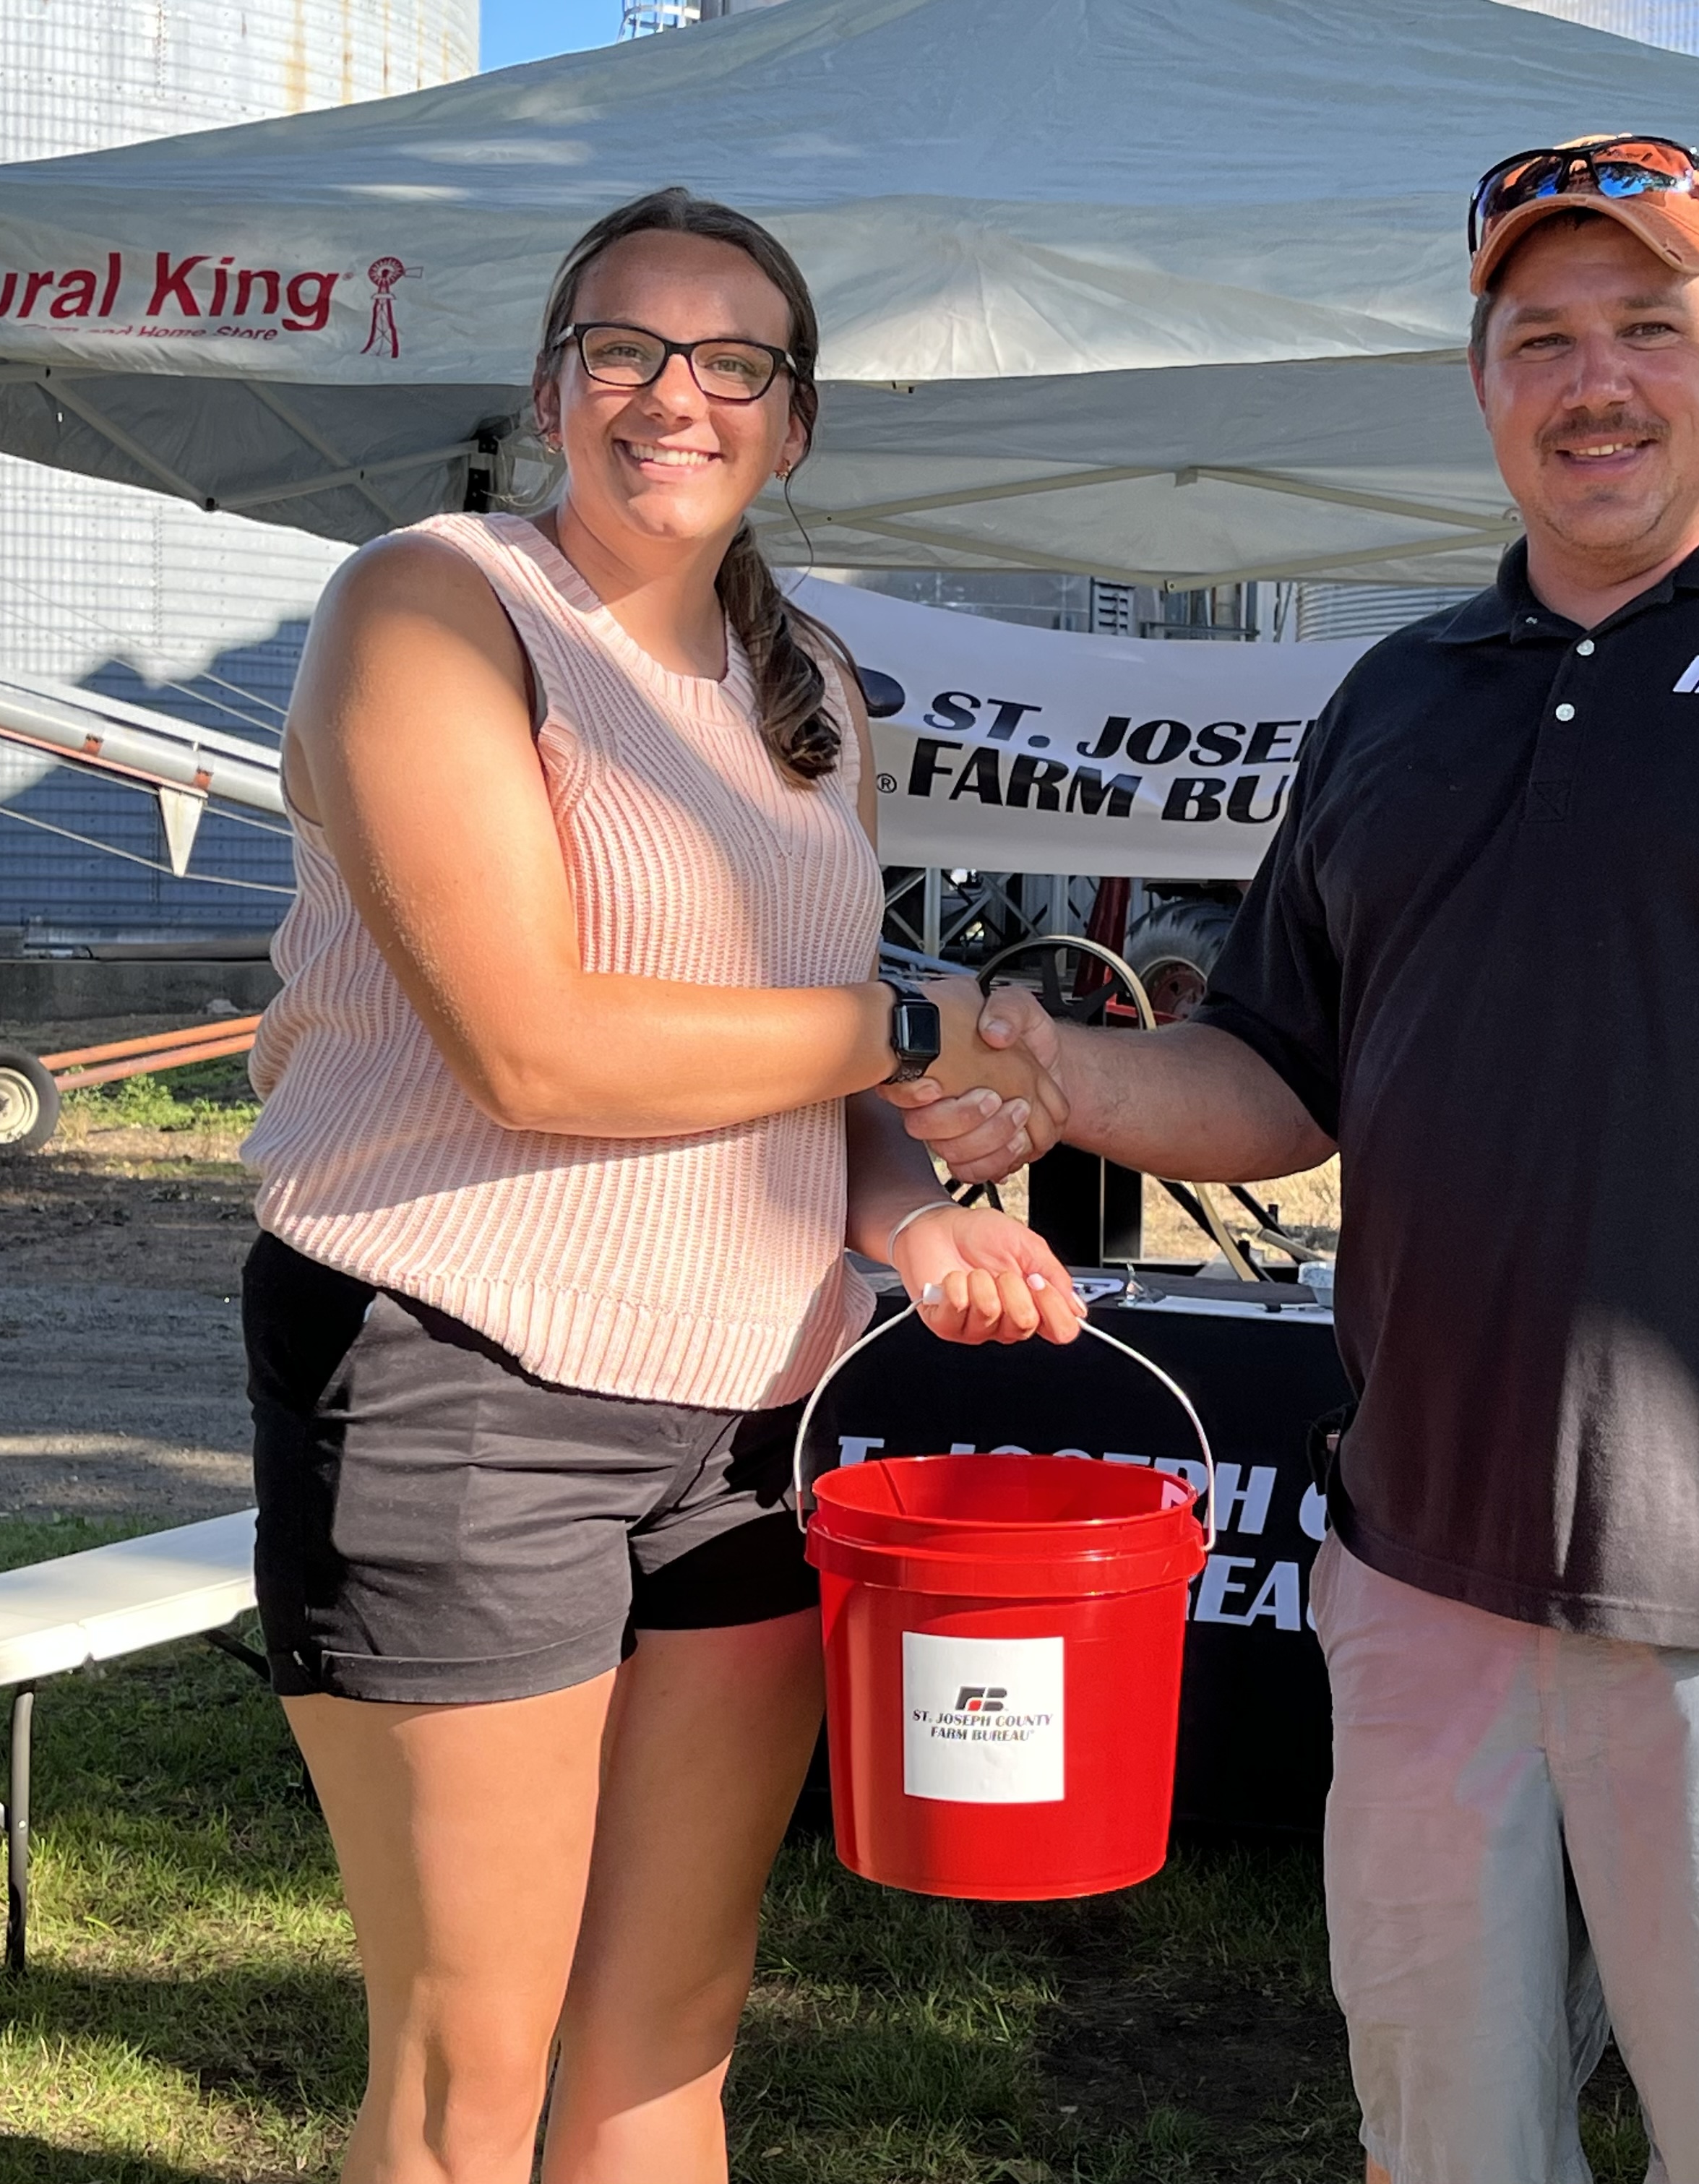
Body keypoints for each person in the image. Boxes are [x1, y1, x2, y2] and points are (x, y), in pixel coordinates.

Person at [888, 136, 1699, 2184]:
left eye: (1650, 327)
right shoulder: (1400, 699)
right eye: (1542, 338)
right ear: (1478, 383)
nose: (1598, 381)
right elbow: (1283, 1075)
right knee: (1443, 2145)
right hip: (1417, 1587)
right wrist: (1056, 1076)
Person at [240, 188, 1075, 2184]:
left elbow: (782, 1074)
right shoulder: (434, 604)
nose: (671, 396)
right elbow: (539, 1046)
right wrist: (911, 1031)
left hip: (753, 1415)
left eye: (733, 364)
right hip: (461, 1376)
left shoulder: (809, 694)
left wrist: (906, 1209)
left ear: (793, 426)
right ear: (552, 390)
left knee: (668, 2041)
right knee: (470, 2075)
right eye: (624, 350)